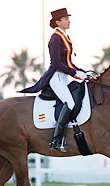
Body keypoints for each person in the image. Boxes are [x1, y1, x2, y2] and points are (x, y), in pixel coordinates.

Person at [19, 8, 87, 150]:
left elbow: (68, 62)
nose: (68, 20)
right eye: (65, 18)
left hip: (63, 76)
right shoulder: (55, 38)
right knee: (70, 102)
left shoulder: (65, 36)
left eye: (68, 18)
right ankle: (57, 140)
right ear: (58, 22)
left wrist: (81, 72)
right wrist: (75, 73)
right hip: (55, 76)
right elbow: (56, 63)